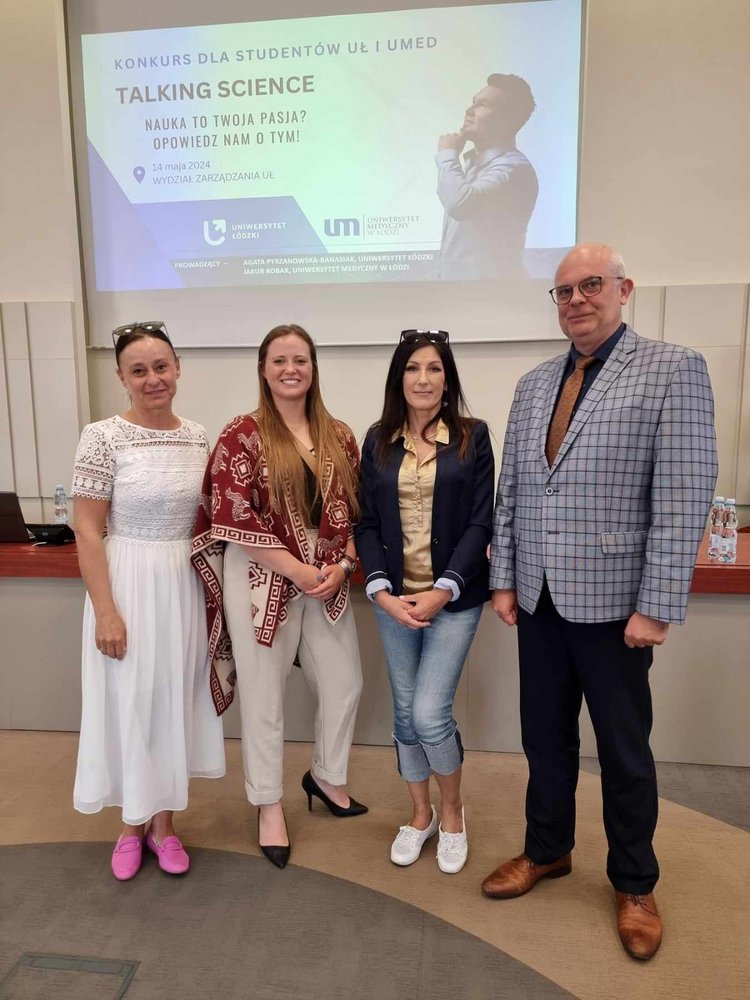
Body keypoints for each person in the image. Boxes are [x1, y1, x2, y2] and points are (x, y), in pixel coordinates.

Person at [482, 244, 718, 959]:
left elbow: (682, 498)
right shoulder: (531, 385)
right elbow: (516, 489)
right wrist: (505, 577)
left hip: (617, 605)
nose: (576, 299)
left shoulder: (674, 369)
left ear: (623, 289)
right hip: (539, 600)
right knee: (543, 738)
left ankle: (635, 882)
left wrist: (658, 603)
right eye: (562, 291)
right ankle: (548, 848)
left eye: (590, 286)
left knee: (623, 750)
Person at [191, 324, 366, 870]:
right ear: (263, 369)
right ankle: (268, 803)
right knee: (264, 696)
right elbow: (230, 512)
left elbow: (360, 512)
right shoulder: (241, 434)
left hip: (326, 573)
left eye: (301, 360)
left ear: (314, 368)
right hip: (262, 571)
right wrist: (295, 567)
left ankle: (326, 777)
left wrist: (338, 565)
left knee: (345, 682)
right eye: (280, 360)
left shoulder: (340, 434)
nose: (291, 369)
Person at [71, 322, 226, 881]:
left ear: (178, 367)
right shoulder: (102, 435)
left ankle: (164, 826)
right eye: (139, 370)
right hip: (127, 582)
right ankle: (130, 825)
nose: (153, 378)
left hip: (182, 583)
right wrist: (107, 610)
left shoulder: (199, 435)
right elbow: (88, 531)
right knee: (131, 701)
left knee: (172, 701)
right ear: (121, 377)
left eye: (162, 366)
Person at [355, 330, 494, 874]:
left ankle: (454, 816)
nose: (423, 379)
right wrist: (382, 592)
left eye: (434, 369)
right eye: (413, 368)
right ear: (399, 377)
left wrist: (444, 589)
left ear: (447, 378)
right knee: (405, 717)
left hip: (453, 601)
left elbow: (482, 518)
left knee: (430, 712)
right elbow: (367, 523)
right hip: (394, 602)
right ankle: (420, 817)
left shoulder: (472, 437)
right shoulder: (378, 440)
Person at [436, 73, 538, 281]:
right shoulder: (474, 165)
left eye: (482, 105)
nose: (468, 111)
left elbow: (461, 204)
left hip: (492, 301)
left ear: (506, 118)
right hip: (462, 299)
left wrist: (447, 155)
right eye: (473, 103)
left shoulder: (514, 168)